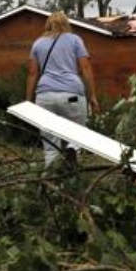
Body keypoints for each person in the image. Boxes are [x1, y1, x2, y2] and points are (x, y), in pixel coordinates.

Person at [26, 11, 99, 166]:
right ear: (67, 24)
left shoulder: (38, 43)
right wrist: (92, 95)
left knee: (50, 146)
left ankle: (51, 182)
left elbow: (32, 73)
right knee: (78, 134)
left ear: (48, 24)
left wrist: (28, 101)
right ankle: (72, 149)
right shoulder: (75, 40)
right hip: (72, 95)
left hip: (44, 98)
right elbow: (85, 67)